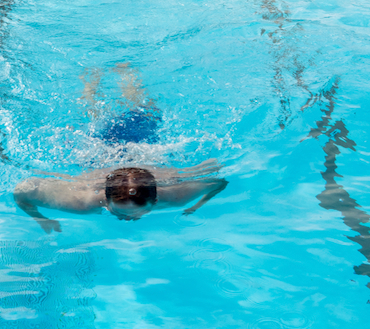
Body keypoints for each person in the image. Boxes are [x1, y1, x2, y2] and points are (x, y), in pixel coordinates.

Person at [14, 64, 227, 230]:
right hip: (119, 150)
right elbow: (22, 191)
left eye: (136, 214)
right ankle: (91, 81)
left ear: (156, 199)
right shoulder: (82, 202)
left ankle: (127, 74)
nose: (128, 219)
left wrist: (195, 206)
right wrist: (41, 219)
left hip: (104, 153)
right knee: (99, 113)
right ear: (105, 200)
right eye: (120, 213)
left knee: (137, 110)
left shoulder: (177, 196)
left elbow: (219, 182)